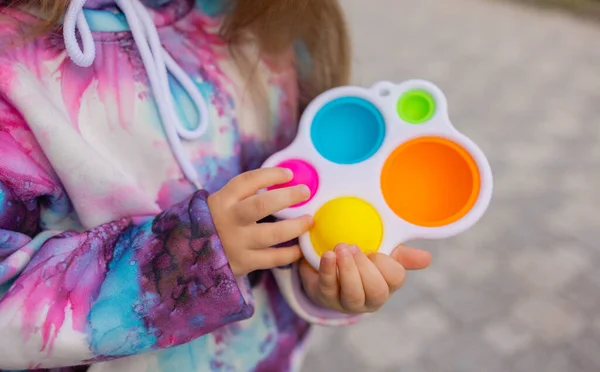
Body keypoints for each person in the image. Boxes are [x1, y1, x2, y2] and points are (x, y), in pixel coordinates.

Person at [0, 0, 432, 371]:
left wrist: (319, 279)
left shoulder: (266, 17)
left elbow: (301, 209)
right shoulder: (12, 61)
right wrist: (187, 259)